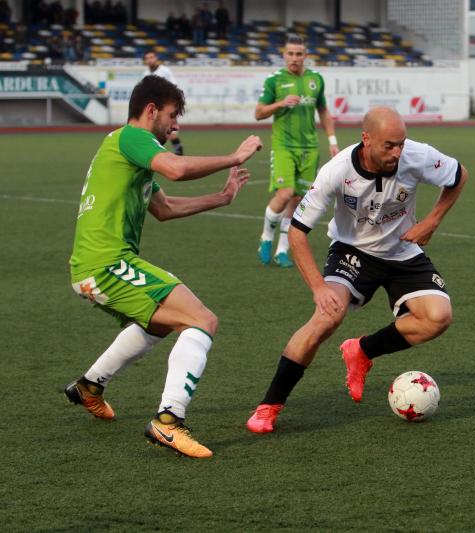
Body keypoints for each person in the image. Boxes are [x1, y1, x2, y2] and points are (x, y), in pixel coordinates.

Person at [64, 75, 262, 458]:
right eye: (172, 116)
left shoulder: (130, 152)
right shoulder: (134, 138)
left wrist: (220, 198)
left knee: (160, 322)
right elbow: (175, 168)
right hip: (106, 263)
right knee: (201, 320)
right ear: (151, 110)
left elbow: (165, 208)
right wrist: (234, 157)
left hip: (97, 265)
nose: (176, 126)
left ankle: (89, 386)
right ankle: (168, 421)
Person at [246, 107, 468, 433]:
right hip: (353, 251)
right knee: (326, 318)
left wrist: (432, 221)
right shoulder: (336, 171)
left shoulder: (416, 155)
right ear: (366, 139)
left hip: (403, 249)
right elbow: (296, 232)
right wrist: (319, 289)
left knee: (438, 317)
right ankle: (269, 407)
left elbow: (458, 175)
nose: (397, 153)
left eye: (401, 144)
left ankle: (362, 351)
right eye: (389, 145)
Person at [255, 34, 338, 268]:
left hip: (309, 148)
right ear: (284, 55)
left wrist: (332, 140)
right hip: (284, 146)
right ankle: (265, 238)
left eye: (299, 54)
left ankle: (282, 250)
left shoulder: (316, 79)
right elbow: (259, 113)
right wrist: (280, 104)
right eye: (290, 53)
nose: (294, 58)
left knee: (298, 199)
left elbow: (323, 110)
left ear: (305, 55)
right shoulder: (275, 81)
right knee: (284, 194)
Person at [143, 50, 185, 155]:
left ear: (156, 58)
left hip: (166, 105)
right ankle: (156, 153)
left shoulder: (164, 71)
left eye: (151, 57)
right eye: (147, 58)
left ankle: (179, 153)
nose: (150, 60)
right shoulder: (146, 74)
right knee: (153, 130)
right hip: (154, 107)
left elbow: (174, 86)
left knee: (171, 131)